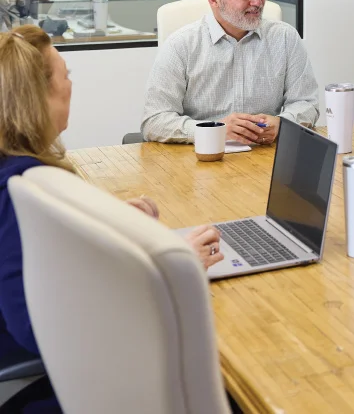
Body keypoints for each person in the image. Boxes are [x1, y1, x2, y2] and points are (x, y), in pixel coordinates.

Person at [0, 26, 223, 412]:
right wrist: (169, 264)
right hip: (73, 385)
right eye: (65, 75)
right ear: (40, 96)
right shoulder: (18, 191)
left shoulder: (18, 168)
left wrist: (108, 224)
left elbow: (48, 259)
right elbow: (37, 326)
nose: (71, 84)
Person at [141, 0, 318, 145]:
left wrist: (283, 124)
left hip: (265, 156)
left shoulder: (285, 38)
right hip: (201, 158)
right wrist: (214, 130)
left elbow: (306, 104)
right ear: (214, 0)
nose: (257, 2)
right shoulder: (180, 45)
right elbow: (154, 121)